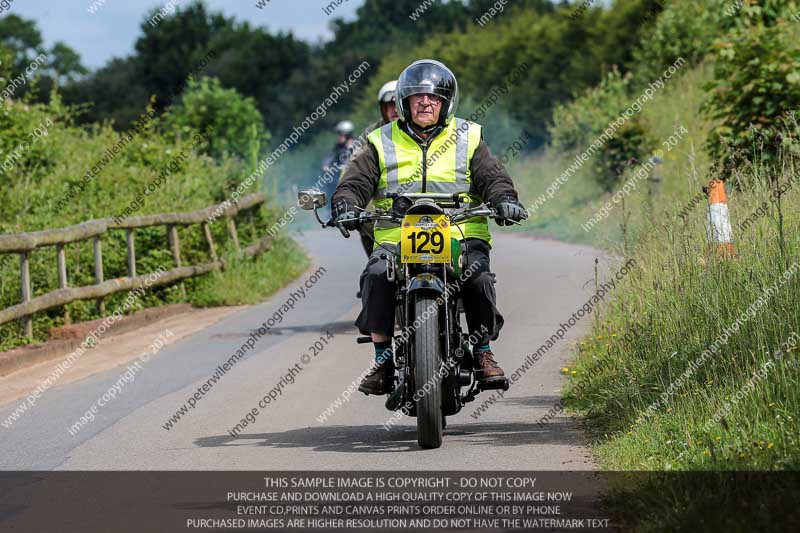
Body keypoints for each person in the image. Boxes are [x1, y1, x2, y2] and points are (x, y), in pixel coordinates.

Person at [331, 60, 528, 395]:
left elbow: (492, 178)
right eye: (418, 97)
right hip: (396, 235)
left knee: (477, 278)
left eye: (434, 98)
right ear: (404, 103)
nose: (426, 102)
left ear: (446, 102)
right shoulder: (380, 141)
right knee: (377, 275)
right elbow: (355, 182)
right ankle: (382, 358)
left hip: (461, 233)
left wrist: (505, 199)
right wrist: (346, 204)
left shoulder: (469, 137)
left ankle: (482, 353)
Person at [344, 80, 400, 258]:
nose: (395, 110)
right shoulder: (371, 134)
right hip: (381, 201)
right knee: (366, 219)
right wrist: (346, 202)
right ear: (382, 108)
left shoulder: (424, 131)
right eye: (389, 105)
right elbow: (354, 167)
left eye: (398, 104)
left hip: (420, 203)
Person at [321, 120, 355, 214]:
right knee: (330, 183)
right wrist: (326, 165)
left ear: (347, 134)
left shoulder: (356, 146)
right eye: (338, 134)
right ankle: (330, 211)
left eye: (341, 134)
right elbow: (330, 156)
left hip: (351, 176)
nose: (338, 136)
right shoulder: (338, 147)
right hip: (338, 175)